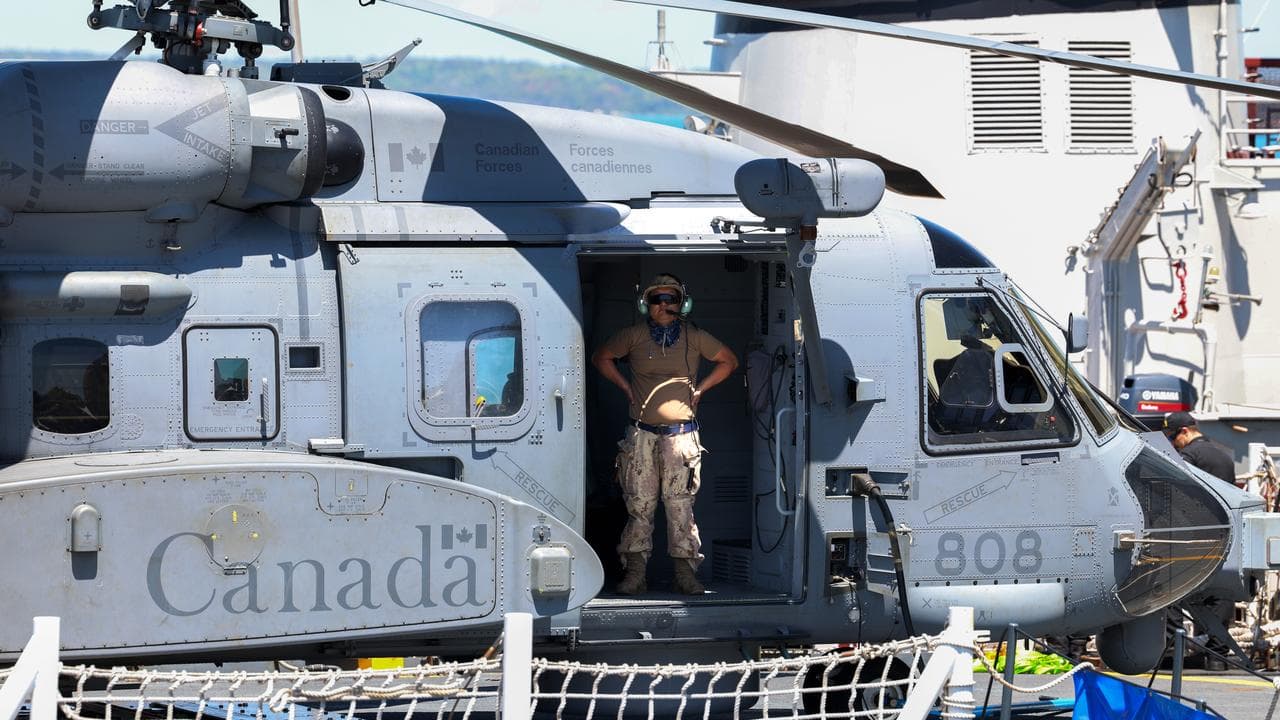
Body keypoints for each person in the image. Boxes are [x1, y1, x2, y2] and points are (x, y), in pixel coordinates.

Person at [592, 273, 739, 595]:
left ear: (681, 304)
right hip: (641, 436)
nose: (663, 305)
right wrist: (626, 386)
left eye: (670, 299)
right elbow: (601, 357)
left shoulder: (695, 337)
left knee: (680, 507)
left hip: (681, 437)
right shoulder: (632, 335)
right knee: (639, 506)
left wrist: (700, 390)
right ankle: (635, 575)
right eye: (656, 300)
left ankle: (685, 575)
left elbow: (728, 361)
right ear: (646, 305)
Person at [1163, 411, 1236, 485]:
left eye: (1172, 437)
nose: (1172, 442)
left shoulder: (1188, 454)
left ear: (1184, 431)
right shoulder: (1224, 453)